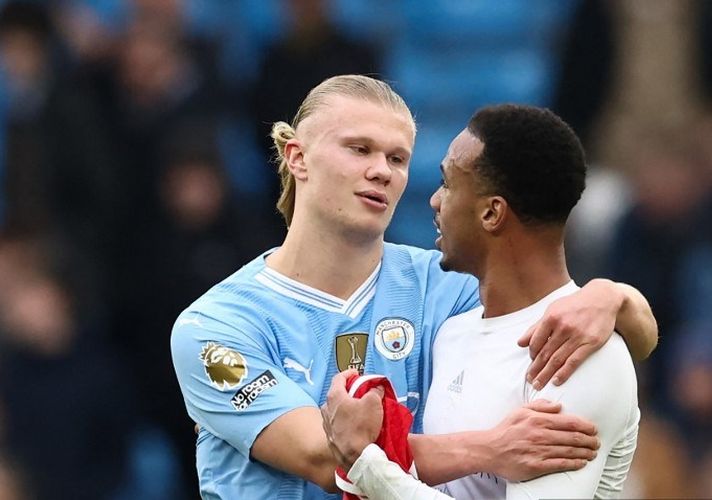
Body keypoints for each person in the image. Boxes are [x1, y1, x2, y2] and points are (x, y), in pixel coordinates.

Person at [171, 75, 657, 499]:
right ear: (297, 157)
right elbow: (328, 459)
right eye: (359, 149)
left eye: (398, 157)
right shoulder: (215, 326)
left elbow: (607, 333)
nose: (382, 169)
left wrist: (611, 297)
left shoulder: (447, 288)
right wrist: (491, 449)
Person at [322, 104, 646, 499]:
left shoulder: (576, 356)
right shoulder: (452, 332)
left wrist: (367, 464)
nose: (434, 201)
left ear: (492, 213)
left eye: (447, 184)